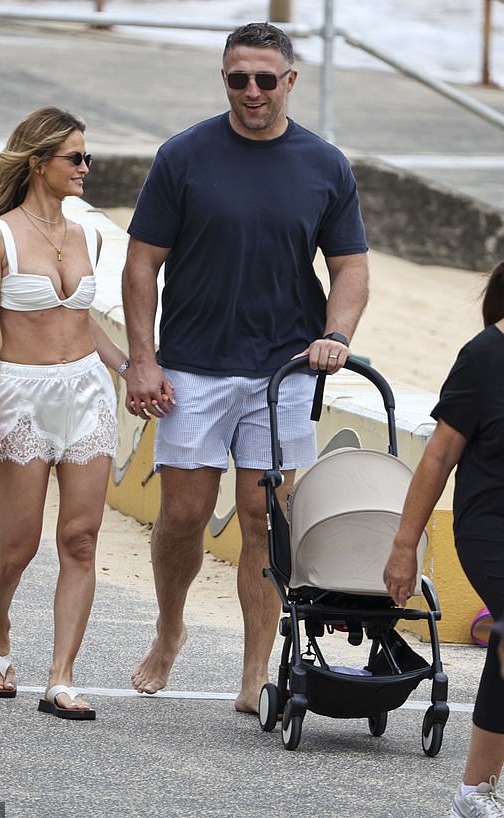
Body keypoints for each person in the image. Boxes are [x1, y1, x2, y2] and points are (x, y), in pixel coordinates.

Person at [121, 22, 369, 713]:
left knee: (264, 520)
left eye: (265, 78)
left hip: (283, 371)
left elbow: (350, 268)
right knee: (183, 515)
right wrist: (143, 360)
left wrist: (336, 335)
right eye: (238, 78)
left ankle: (255, 669)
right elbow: (141, 263)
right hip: (192, 367)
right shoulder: (183, 156)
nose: (251, 91)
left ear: (291, 80)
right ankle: (170, 628)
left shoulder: (325, 165)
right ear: (224, 79)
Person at [0, 106, 134, 720]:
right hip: (21, 396)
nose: (86, 167)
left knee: (81, 540)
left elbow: (81, 320)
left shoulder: (90, 235)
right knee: (19, 545)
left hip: (87, 392)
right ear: (39, 162)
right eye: (76, 157)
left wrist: (132, 369)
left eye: (88, 156)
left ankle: (60, 678)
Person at [383, 260, 504, 817]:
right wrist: (405, 545)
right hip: (491, 527)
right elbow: (438, 455)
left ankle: (474, 792)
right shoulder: (484, 356)